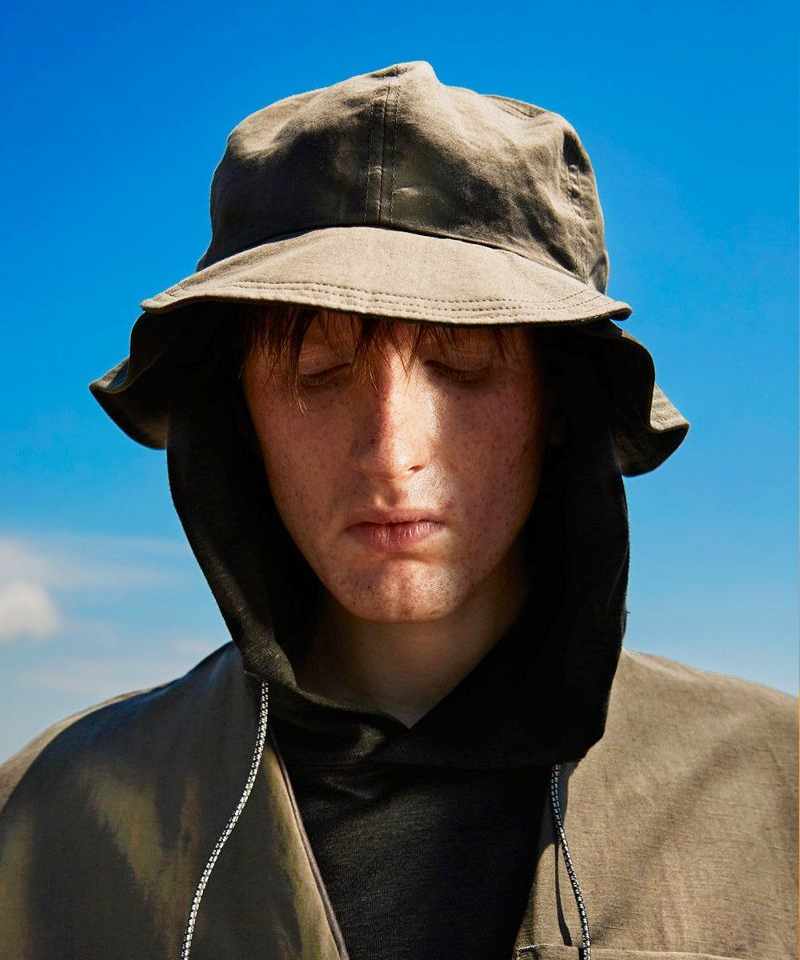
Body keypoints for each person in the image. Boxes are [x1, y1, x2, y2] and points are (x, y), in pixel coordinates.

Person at [0, 61, 796, 960]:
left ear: (560, 401)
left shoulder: (783, 793)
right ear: (239, 413)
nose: (390, 450)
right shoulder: (38, 823)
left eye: (462, 366)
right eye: (317, 372)